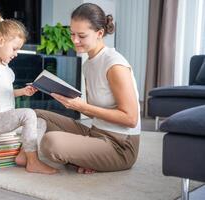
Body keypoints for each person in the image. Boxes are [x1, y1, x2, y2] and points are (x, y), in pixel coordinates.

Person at [35, 3, 141, 174]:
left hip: (120, 146)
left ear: (100, 33)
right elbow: (96, 112)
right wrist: (68, 101)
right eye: (72, 34)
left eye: (82, 36)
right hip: (95, 133)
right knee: (37, 115)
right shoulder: (89, 63)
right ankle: (84, 156)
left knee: (51, 142)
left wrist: (81, 107)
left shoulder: (115, 65)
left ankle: (87, 156)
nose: (75, 40)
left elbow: (130, 119)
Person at [0, 13, 57, 174]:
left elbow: (5, 93)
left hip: (5, 118)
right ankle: (33, 161)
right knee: (28, 114)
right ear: (0, 41)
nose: (16, 53)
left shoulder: (5, 69)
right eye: (15, 48)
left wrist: (23, 91)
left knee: (41, 123)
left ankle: (24, 155)